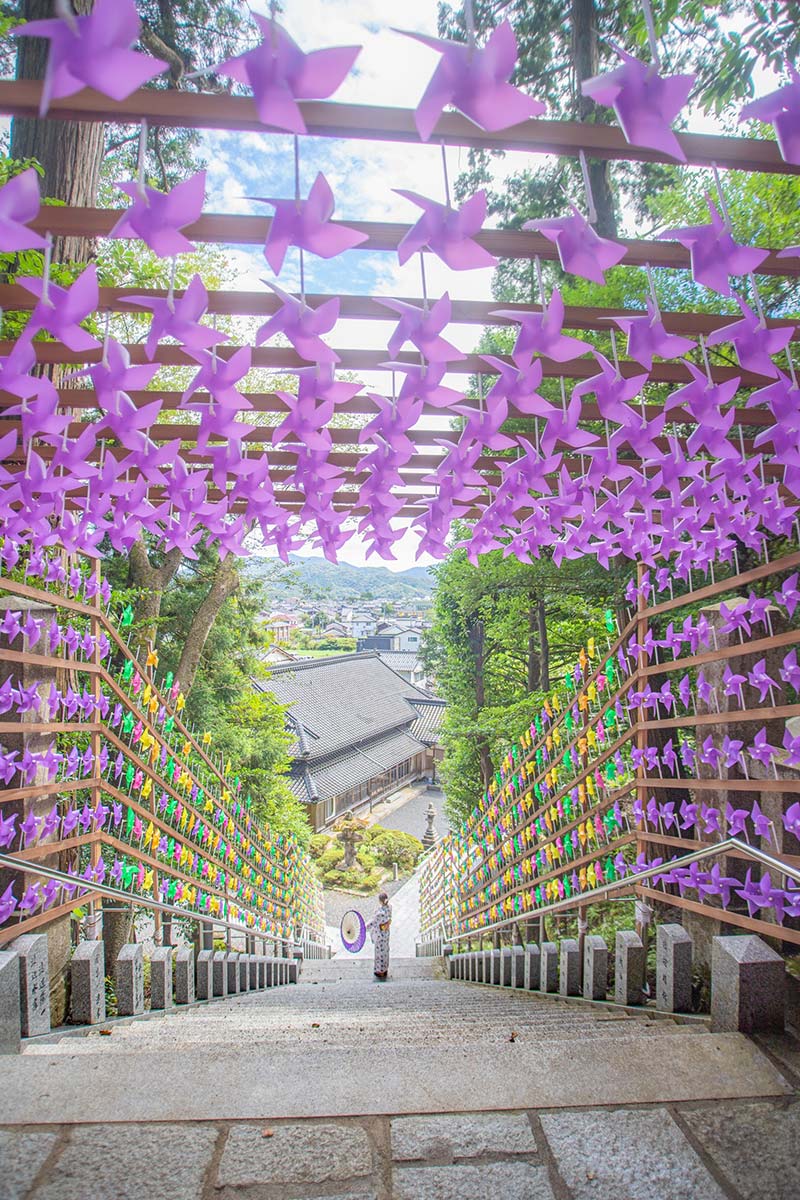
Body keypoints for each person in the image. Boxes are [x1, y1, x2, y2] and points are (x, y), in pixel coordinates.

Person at [368, 891, 392, 979]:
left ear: (380, 901)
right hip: (386, 933)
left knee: (379, 953)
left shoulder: (380, 913)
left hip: (380, 935)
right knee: (385, 951)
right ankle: (385, 969)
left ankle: (380, 971)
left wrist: (362, 929)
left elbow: (373, 923)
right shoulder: (389, 908)